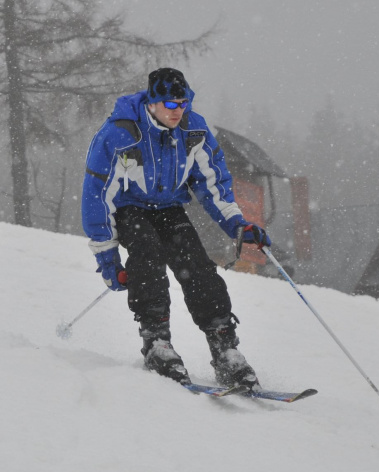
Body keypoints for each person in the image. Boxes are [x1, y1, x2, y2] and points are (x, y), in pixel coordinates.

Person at [81, 68, 271, 389]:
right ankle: (157, 342)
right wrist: (107, 261)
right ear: (152, 103)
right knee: (147, 252)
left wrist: (238, 225)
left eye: (183, 102)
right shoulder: (120, 134)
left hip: (169, 206)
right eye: (170, 104)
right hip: (130, 207)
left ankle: (224, 348)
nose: (178, 110)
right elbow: (96, 198)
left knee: (196, 265)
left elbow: (213, 183)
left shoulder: (193, 130)